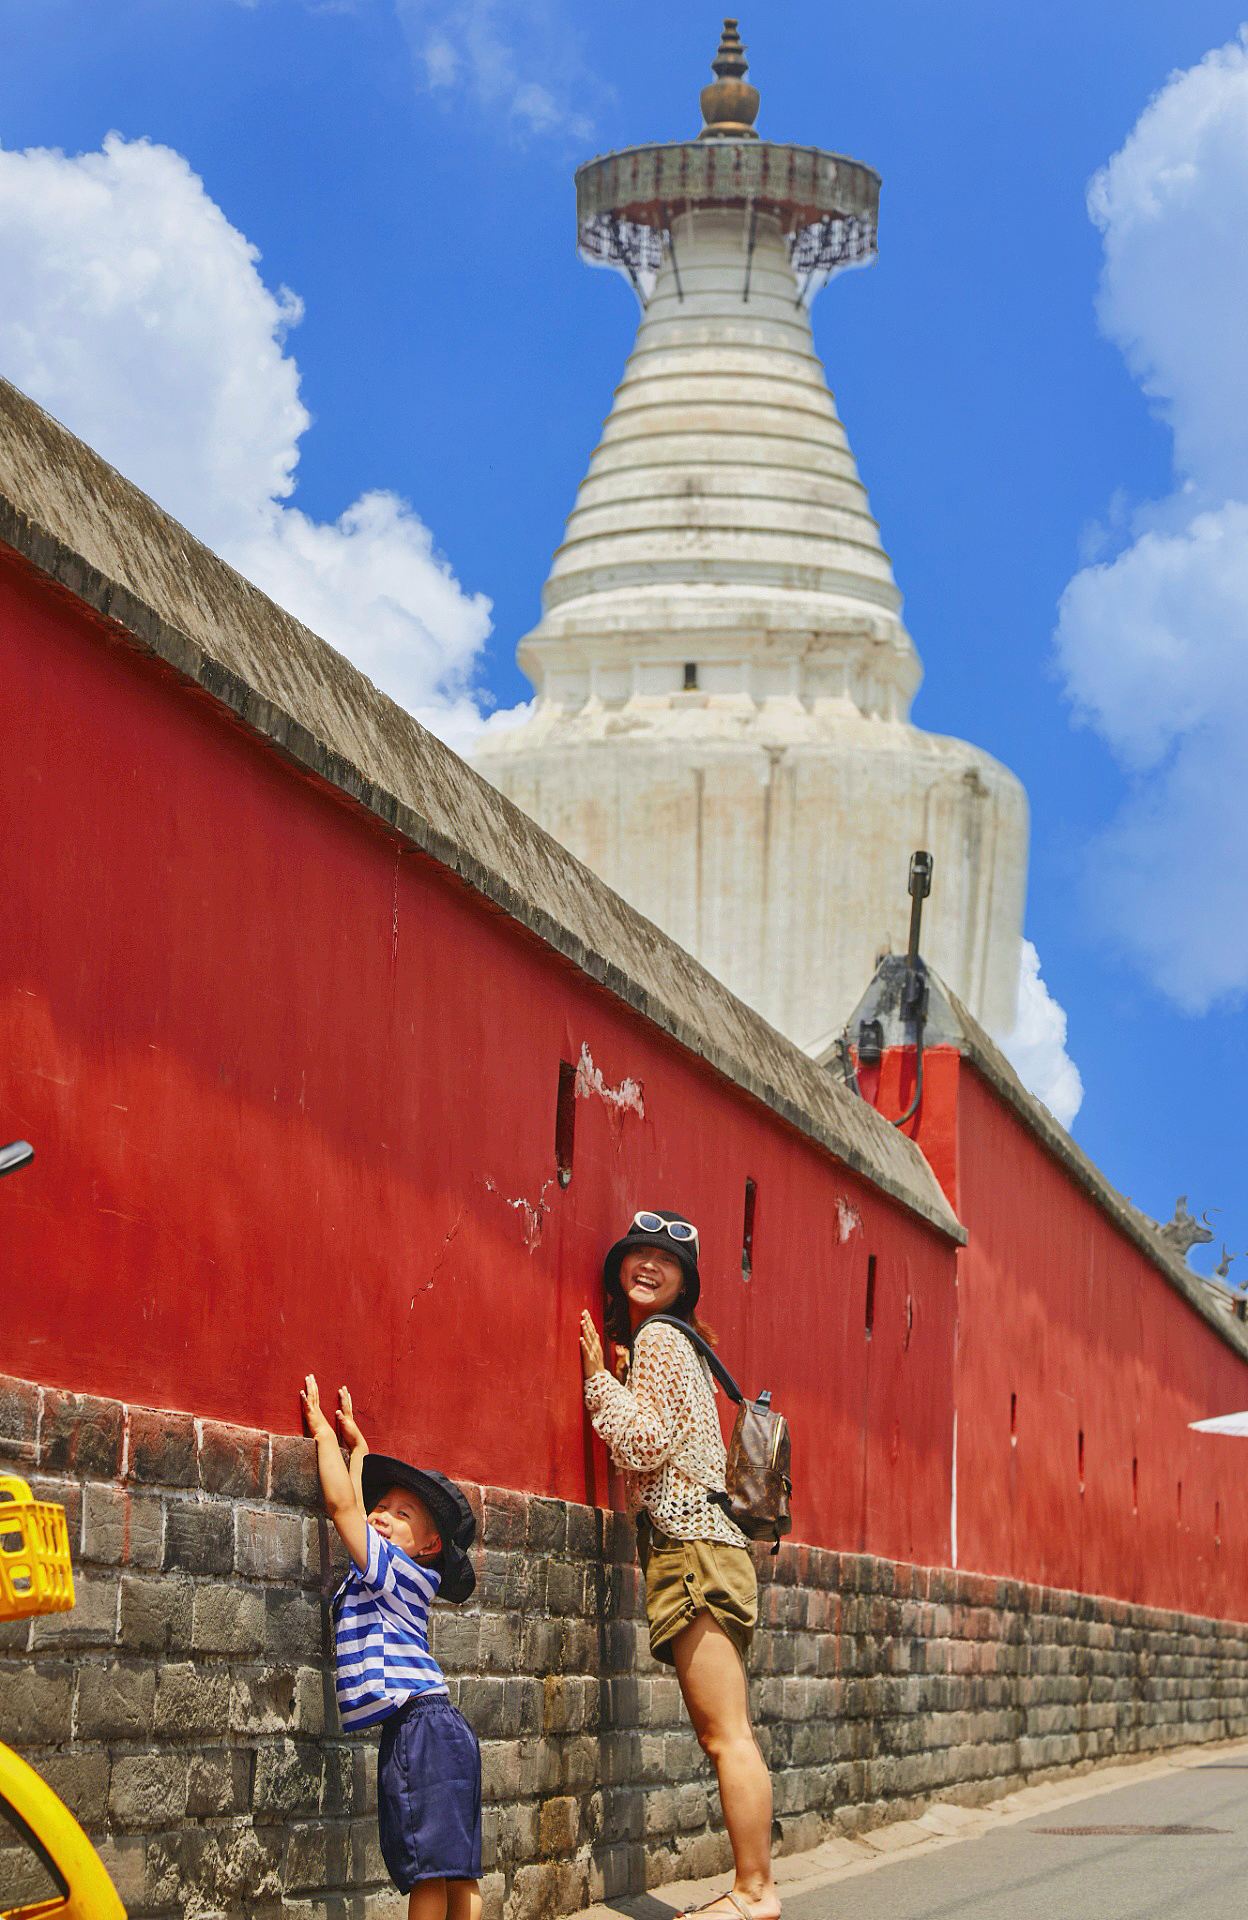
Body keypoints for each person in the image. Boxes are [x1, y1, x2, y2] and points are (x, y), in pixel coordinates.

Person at [579, 1210, 781, 1920]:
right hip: (708, 1547)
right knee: (726, 1732)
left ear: (685, 1284)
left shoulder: (661, 1338)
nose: (648, 1266)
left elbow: (645, 1446)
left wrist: (598, 1383)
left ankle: (755, 1894)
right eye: (638, 1254)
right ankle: (753, 1889)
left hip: (693, 1548)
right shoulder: (677, 1345)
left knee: (728, 1735)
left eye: (666, 1263)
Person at [300, 1373, 482, 1920]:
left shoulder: (392, 1571)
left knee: (428, 1871)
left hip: (420, 1730)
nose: (383, 1514)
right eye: (385, 1506)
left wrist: (324, 1438)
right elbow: (360, 1511)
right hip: (442, 1726)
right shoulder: (400, 1573)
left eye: (402, 1515)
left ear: (428, 1546)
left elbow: (343, 1512)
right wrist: (360, 1451)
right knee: (457, 1869)